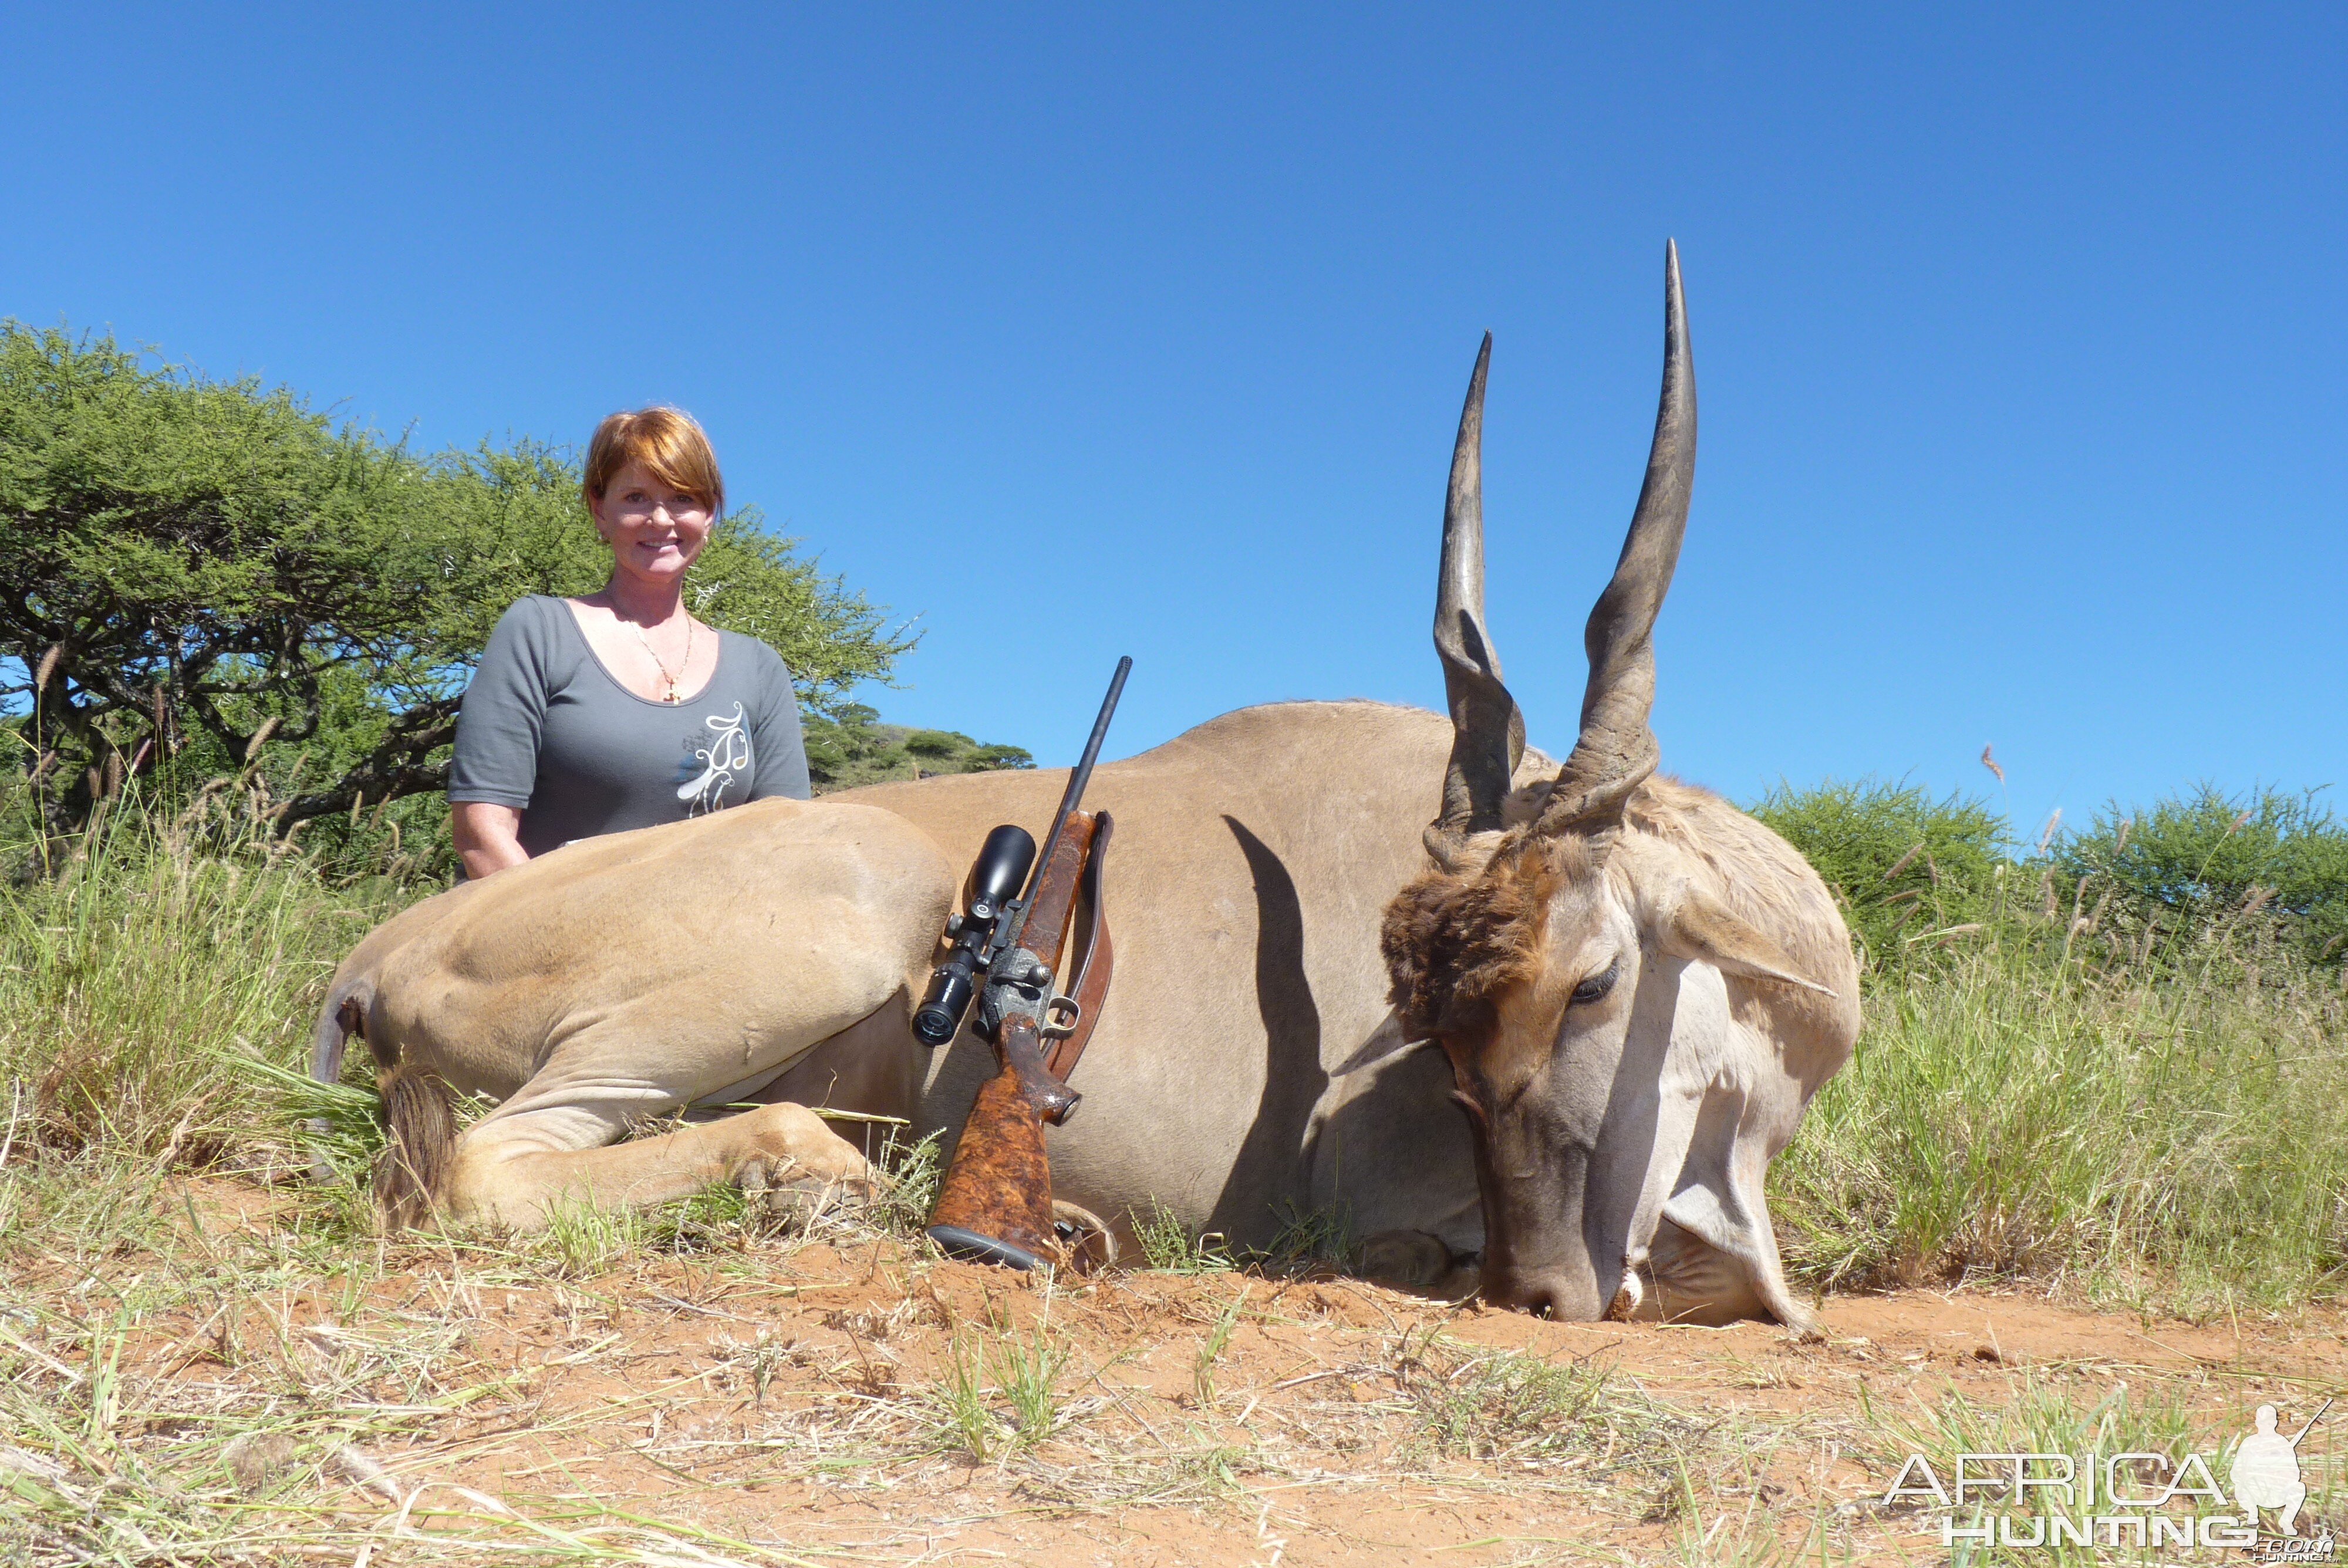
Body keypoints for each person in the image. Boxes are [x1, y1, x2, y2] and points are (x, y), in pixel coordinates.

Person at [447, 407, 811, 879]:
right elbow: (481, 833)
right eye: (637, 497)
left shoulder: (759, 668)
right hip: (540, 935)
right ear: (601, 510)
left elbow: (787, 840)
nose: (661, 520)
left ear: (710, 514)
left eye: (683, 498)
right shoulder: (539, 631)